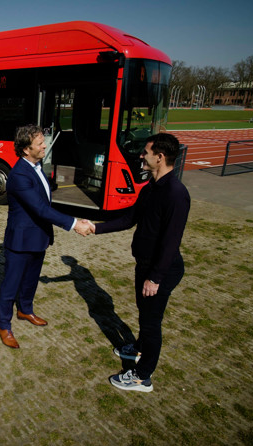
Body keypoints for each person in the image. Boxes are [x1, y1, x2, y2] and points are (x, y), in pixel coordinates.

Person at [81, 133, 190, 392]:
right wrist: (94, 228)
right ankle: (138, 349)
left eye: (146, 152)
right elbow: (129, 219)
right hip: (145, 265)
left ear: (160, 157)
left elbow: (171, 242)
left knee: (151, 323)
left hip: (160, 271)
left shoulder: (176, 194)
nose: (141, 156)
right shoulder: (151, 187)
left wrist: (155, 278)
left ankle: (142, 376)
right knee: (144, 315)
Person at [0, 124, 93, 349]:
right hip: (20, 243)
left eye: (43, 141)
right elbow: (41, 209)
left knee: (30, 281)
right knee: (10, 287)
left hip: (38, 237)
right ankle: (3, 325)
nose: (44, 146)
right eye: (39, 143)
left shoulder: (37, 166)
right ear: (25, 150)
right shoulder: (19, 175)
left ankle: (25, 311)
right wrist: (74, 223)